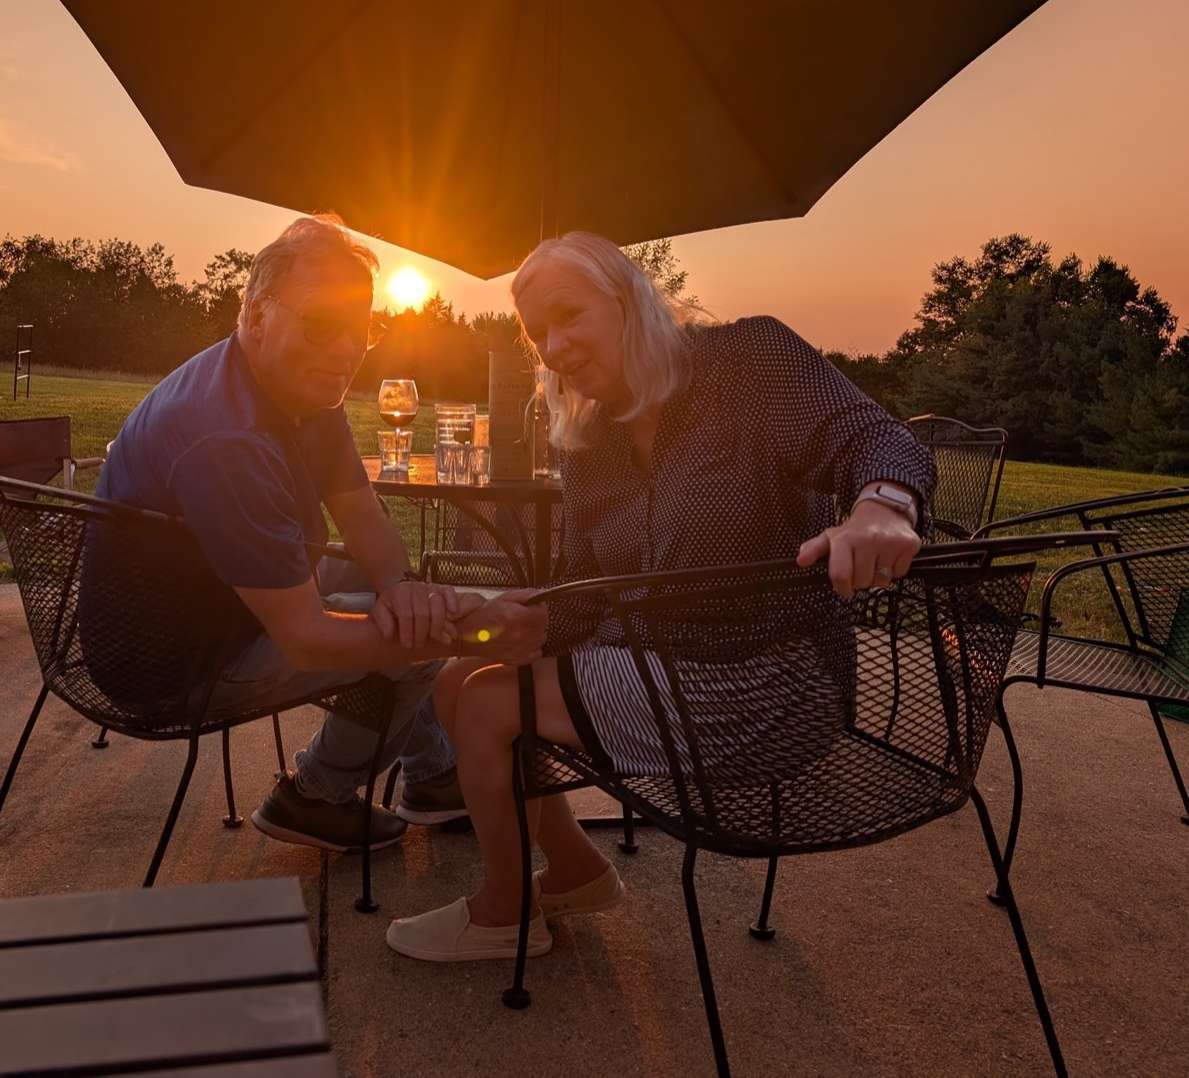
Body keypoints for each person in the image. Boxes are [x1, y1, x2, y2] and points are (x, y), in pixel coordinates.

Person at [386, 232, 936, 962]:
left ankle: (504, 914)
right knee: (460, 680)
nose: (553, 346)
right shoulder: (591, 438)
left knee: (490, 704)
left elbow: (877, 438)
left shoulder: (746, 362)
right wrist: (512, 617)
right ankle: (578, 868)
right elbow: (585, 594)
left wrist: (881, 507)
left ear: (629, 297)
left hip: (768, 678)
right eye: (537, 332)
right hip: (656, 664)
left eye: (568, 314)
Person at [95, 214, 547, 854]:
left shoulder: (303, 390)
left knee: (389, 593)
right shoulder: (227, 438)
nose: (343, 350)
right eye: (319, 324)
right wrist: (471, 628)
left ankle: (433, 773)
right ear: (254, 315)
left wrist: (402, 585)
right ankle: (315, 796)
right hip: (175, 663)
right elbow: (307, 638)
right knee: (410, 648)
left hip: (218, 602)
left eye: (360, 330)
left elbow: (361, 515)